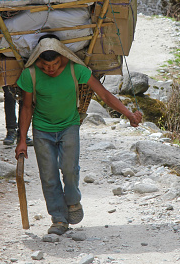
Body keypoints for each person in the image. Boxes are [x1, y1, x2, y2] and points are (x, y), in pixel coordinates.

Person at [14, 35, 142, 235]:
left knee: (70, 169)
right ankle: (58, 219)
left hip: (69, 126)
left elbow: (104, 95)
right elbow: (27, 107)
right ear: (38, 61)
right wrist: (22, 140)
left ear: (63, 58)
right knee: (48, 176)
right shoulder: (30, 74)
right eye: (45, 65)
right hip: (42, 129)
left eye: (55, 64)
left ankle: (73, 201)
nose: (50, 69)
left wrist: (129, 114)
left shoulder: (76, 69)